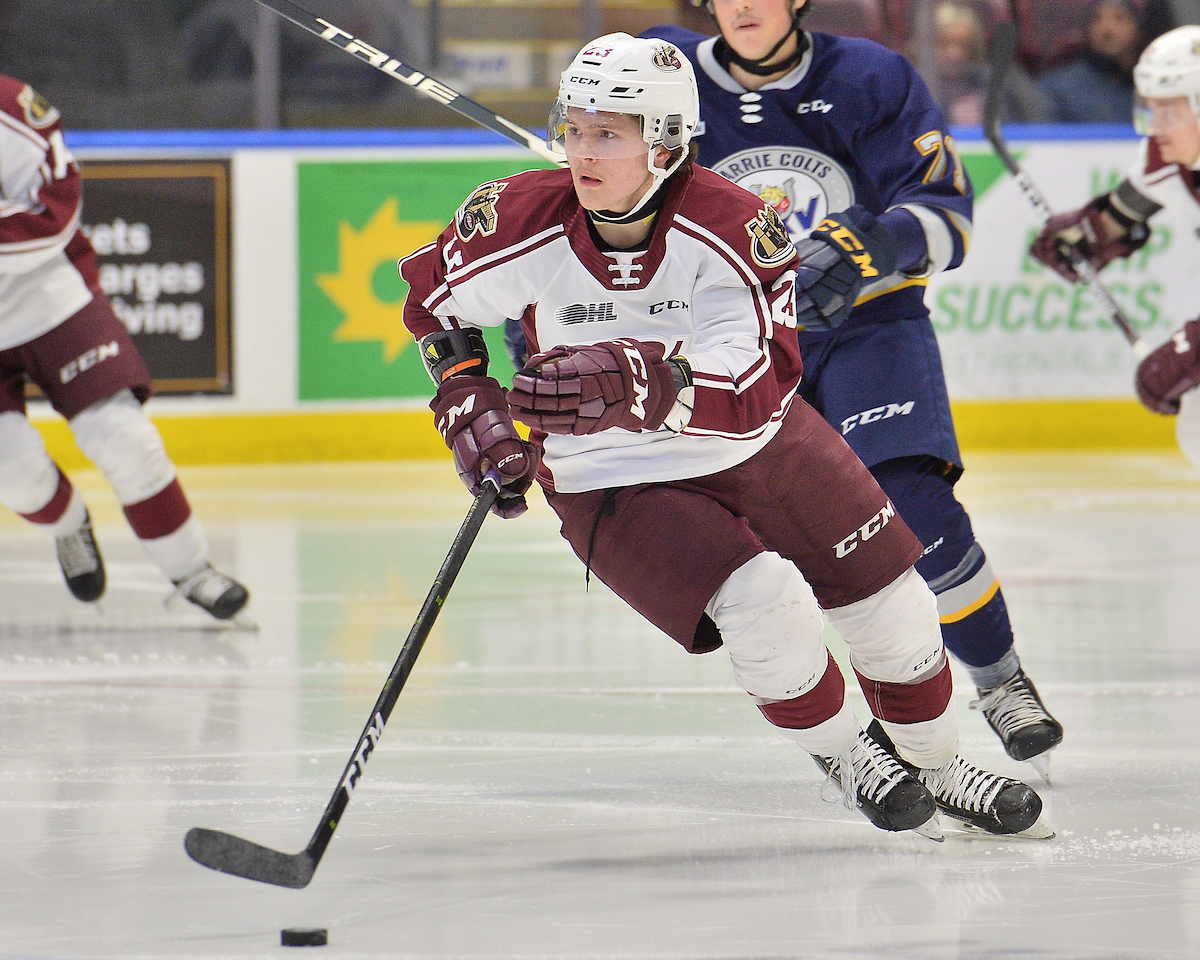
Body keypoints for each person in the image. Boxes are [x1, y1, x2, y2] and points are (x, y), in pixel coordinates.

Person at [403, 33, 1046, 837]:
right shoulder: (517, 221)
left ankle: (945, 767)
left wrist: (637, 378)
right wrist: (468, 402)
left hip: (757, 441)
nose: (581, 152)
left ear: (668, 139)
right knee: (765, 608)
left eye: (610, 132)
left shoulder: (739, 227)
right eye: (573, 128)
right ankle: (851, 754)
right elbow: (435, 304)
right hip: (607, 471)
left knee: (898, 609)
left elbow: (753, 390)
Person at [580, 1, 1068, 775]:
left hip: (872, 331)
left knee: (914, 505)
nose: (743, 6)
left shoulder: (869, 77)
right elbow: (601, 181)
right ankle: (852, 743)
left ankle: (1002, 683)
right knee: (778, 556)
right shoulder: (664, 71)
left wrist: (865, 244)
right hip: (746, 348)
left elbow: (947, 218)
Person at [0, 75, 249, 621]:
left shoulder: (10, 108)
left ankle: (192, 572)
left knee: (125, 440)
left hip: (50, 301)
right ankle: (70, 527)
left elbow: (56, 210)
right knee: (12, 470)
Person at [1031, 26, 1200, 419]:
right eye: (1151, 109)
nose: (1156, 127)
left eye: (1170, 111)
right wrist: (1084, 237)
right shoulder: (1164, 158)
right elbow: (1120, 216)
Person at [929, 1, 1049, 126]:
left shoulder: (1004, 79)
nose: (954, 54)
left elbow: (1042, 119)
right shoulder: (914, 87)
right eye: (944, 43)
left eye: (963, 45)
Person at [1037, 0, 1144, 125]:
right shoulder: (1056, 88)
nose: (1107, 29)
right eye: (1097, 19)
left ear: (1137, 29)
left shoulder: (1153, 84)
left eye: (1118, 18)